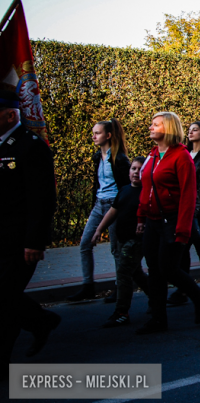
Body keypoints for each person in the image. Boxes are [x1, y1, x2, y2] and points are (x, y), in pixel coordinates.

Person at [135, 112, 200, 335]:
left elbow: (188, 195)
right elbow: (146, 187)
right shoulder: (153, 155)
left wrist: (183, 230)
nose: (150, 127)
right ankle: (158, 319)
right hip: (152, 221)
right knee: (155, 270)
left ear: (167, 128)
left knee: (167, 268)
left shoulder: (181, 156)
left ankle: (199, 296)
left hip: (173, 220)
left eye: (155, 125)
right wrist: (141, 217)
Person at [1, 91, 59, 364]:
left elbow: (42, 198)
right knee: (7, 299)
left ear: (11, 114)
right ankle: (41, 321)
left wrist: (35, 241)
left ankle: (39, 322)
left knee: (5, 296)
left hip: (19, 239)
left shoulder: (31, 145)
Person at [67, 118, 130, 302]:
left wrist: (120, 208)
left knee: (116, 249)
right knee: (85, 244)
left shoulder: (120, 159)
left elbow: (125, 188)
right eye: (93, 133)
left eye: (98, 133)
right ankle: (88, 286)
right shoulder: (97, 157)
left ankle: (120, 287)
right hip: (99, 204)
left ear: (108, 135)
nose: (94, 136)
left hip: (114, 205)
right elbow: (98, 184)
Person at [91, 157, 149, 327]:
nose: (136, 172)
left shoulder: (146, 192)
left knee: (123, 272)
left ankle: (121, 312)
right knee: (136, 273)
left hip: (135, 241)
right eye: (134, 169)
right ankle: (156, 299)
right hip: (121, 239)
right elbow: (113, 211)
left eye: (140, 169)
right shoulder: (123, 190)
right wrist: (99, 229)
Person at [168, 121, 200, 305]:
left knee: (187, 246)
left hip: (199, 208)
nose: (190, 133)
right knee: (199, 247)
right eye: (189, 130)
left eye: (195, 130)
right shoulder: (185, 153)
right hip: (184, 206)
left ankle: (188, 290)